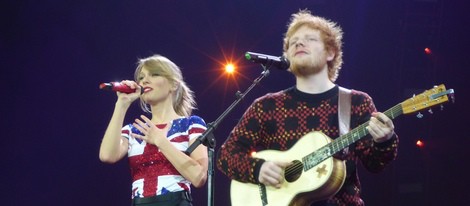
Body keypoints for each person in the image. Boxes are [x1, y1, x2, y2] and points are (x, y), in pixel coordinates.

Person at [216, 10, 398, 206]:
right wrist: (258, 169)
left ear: (331, 52)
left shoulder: (356, 102)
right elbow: (226, 155)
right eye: (293, 42)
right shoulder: (265, 106)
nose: (299, 44)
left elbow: (375, 164)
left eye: (310, 39)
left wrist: (384, 141)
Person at [99, 54, 208, 206]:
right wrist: (121, 104)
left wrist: (160, 141)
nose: (144, 80)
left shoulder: (191, 125)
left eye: (154, 74)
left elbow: (199, 177)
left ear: (174, 85)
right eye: (141, 77)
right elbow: (107, 155)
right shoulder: (134, 130)